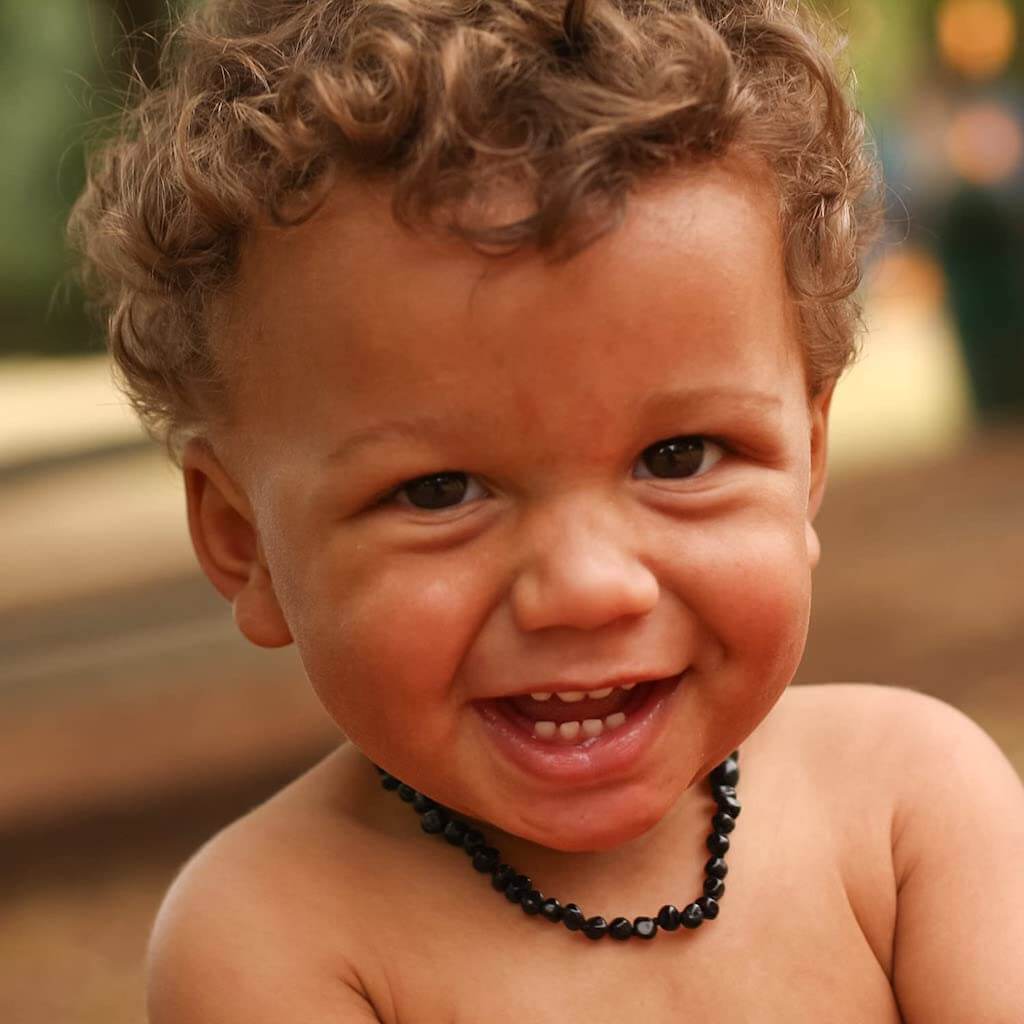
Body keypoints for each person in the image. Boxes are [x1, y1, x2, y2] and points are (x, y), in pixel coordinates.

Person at [68, 1, 1024, 1020]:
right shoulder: (273, 934)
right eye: (438, 491)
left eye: (678, 456)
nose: (586, 587)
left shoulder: (909, 808)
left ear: (807, 458)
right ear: (242, 540)